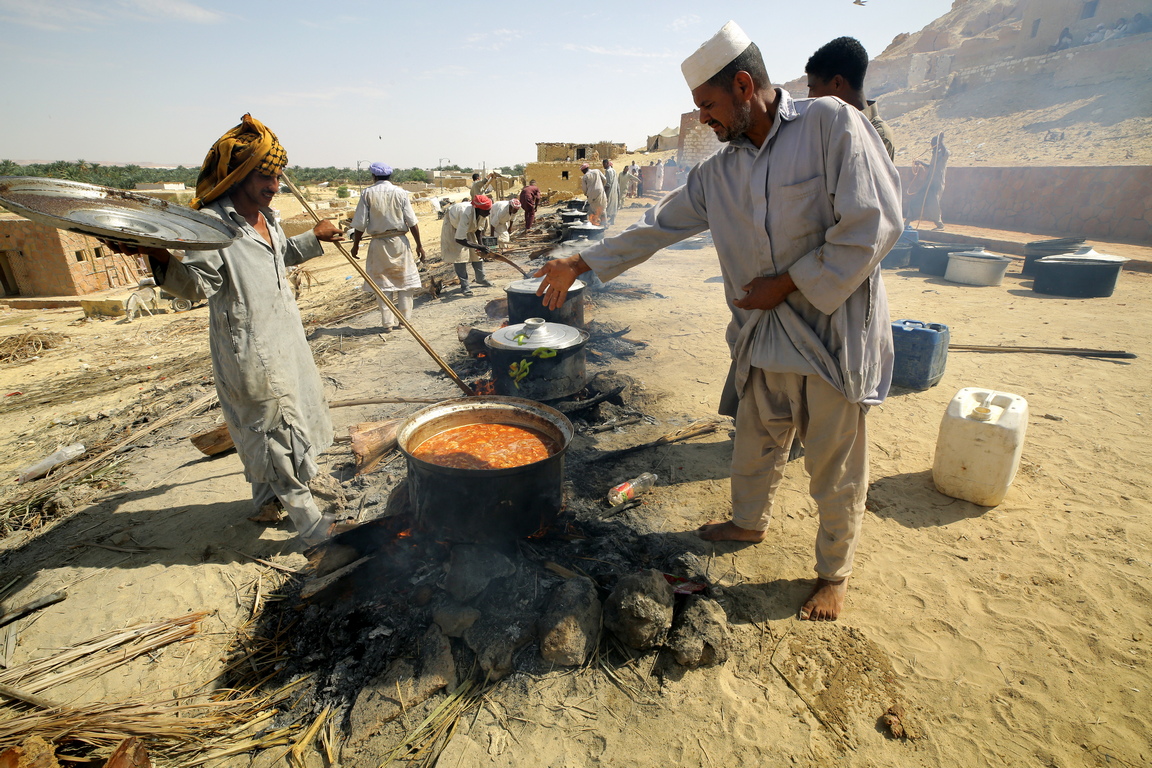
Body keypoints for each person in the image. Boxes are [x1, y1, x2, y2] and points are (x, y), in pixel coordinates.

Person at [534, 21, 901, 621]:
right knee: (755, 442)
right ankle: (747, 523)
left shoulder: (832, 125)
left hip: (832, 337)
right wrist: (582, 261)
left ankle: (834, 574)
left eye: (707, 105)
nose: (703, 119)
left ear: (743, 84)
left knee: (835, 467)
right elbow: (656, 226)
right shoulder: (718, 173)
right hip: (763, 336)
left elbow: (874, 226)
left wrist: (784, 283)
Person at [111, 114, 346, 545]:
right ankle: (313, 529)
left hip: (286, 340)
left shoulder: (268, 218)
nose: (274, 185)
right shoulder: (212, 228)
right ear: (237, 175)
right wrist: (158, 253)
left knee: (284, 422)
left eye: (277, 176)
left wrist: (316, 237)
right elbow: (196, 286)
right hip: (251, 350)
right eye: (264, 176)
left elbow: (280, 257)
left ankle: (264, 503)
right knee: (273, 432)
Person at [349, 162, 425, 332]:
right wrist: (419, 245)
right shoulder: (400, 193)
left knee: (382, 285)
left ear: (373, 177)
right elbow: (412, 222)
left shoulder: (367, 193)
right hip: (400, 243)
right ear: (390, 177)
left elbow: (360, 224)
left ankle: (388, 324)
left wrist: (355, 246)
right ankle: (404, 321)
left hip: (378, 245)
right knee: (404, 283)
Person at [805, 36, 897, 161]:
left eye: (813, 88)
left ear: (837, 83)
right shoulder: (832, 124)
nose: (810, 97)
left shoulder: (876, 136)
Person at [441, 195, 493, 296]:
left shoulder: (483, 213)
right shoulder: (465, 214)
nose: (489, 213)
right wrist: (479, 246)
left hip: (468, 227)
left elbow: (479, 230)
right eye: (487, 210)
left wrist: (480, 246)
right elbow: (460, 239)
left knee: (476, 255)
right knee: (460, 256)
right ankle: (465, 286)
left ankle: (480, 279)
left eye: (489, 210)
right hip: (453, 226)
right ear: (478, 209)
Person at [904, 132, 949, 230]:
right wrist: (921, 163)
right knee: (916, 199)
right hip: (929, 183)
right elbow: (931, 167)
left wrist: (941, 142)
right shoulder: (934, 155)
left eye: (934, 144)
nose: (932, 147)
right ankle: (908, 220)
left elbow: (945, 152)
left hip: (936, 184)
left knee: (933, 203)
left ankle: (939, 224)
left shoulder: (944, 154)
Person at [602, 159, 620, 226]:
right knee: (613, 206)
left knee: (606, 206)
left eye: (604, 164)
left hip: (609, 191)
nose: (603, 166)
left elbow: (608, 184)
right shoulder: (614, 171)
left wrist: (604, 192)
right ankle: (612, 220)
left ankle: (605, 222)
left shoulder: (608, 171)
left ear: (607, 163)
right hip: (614, 191)